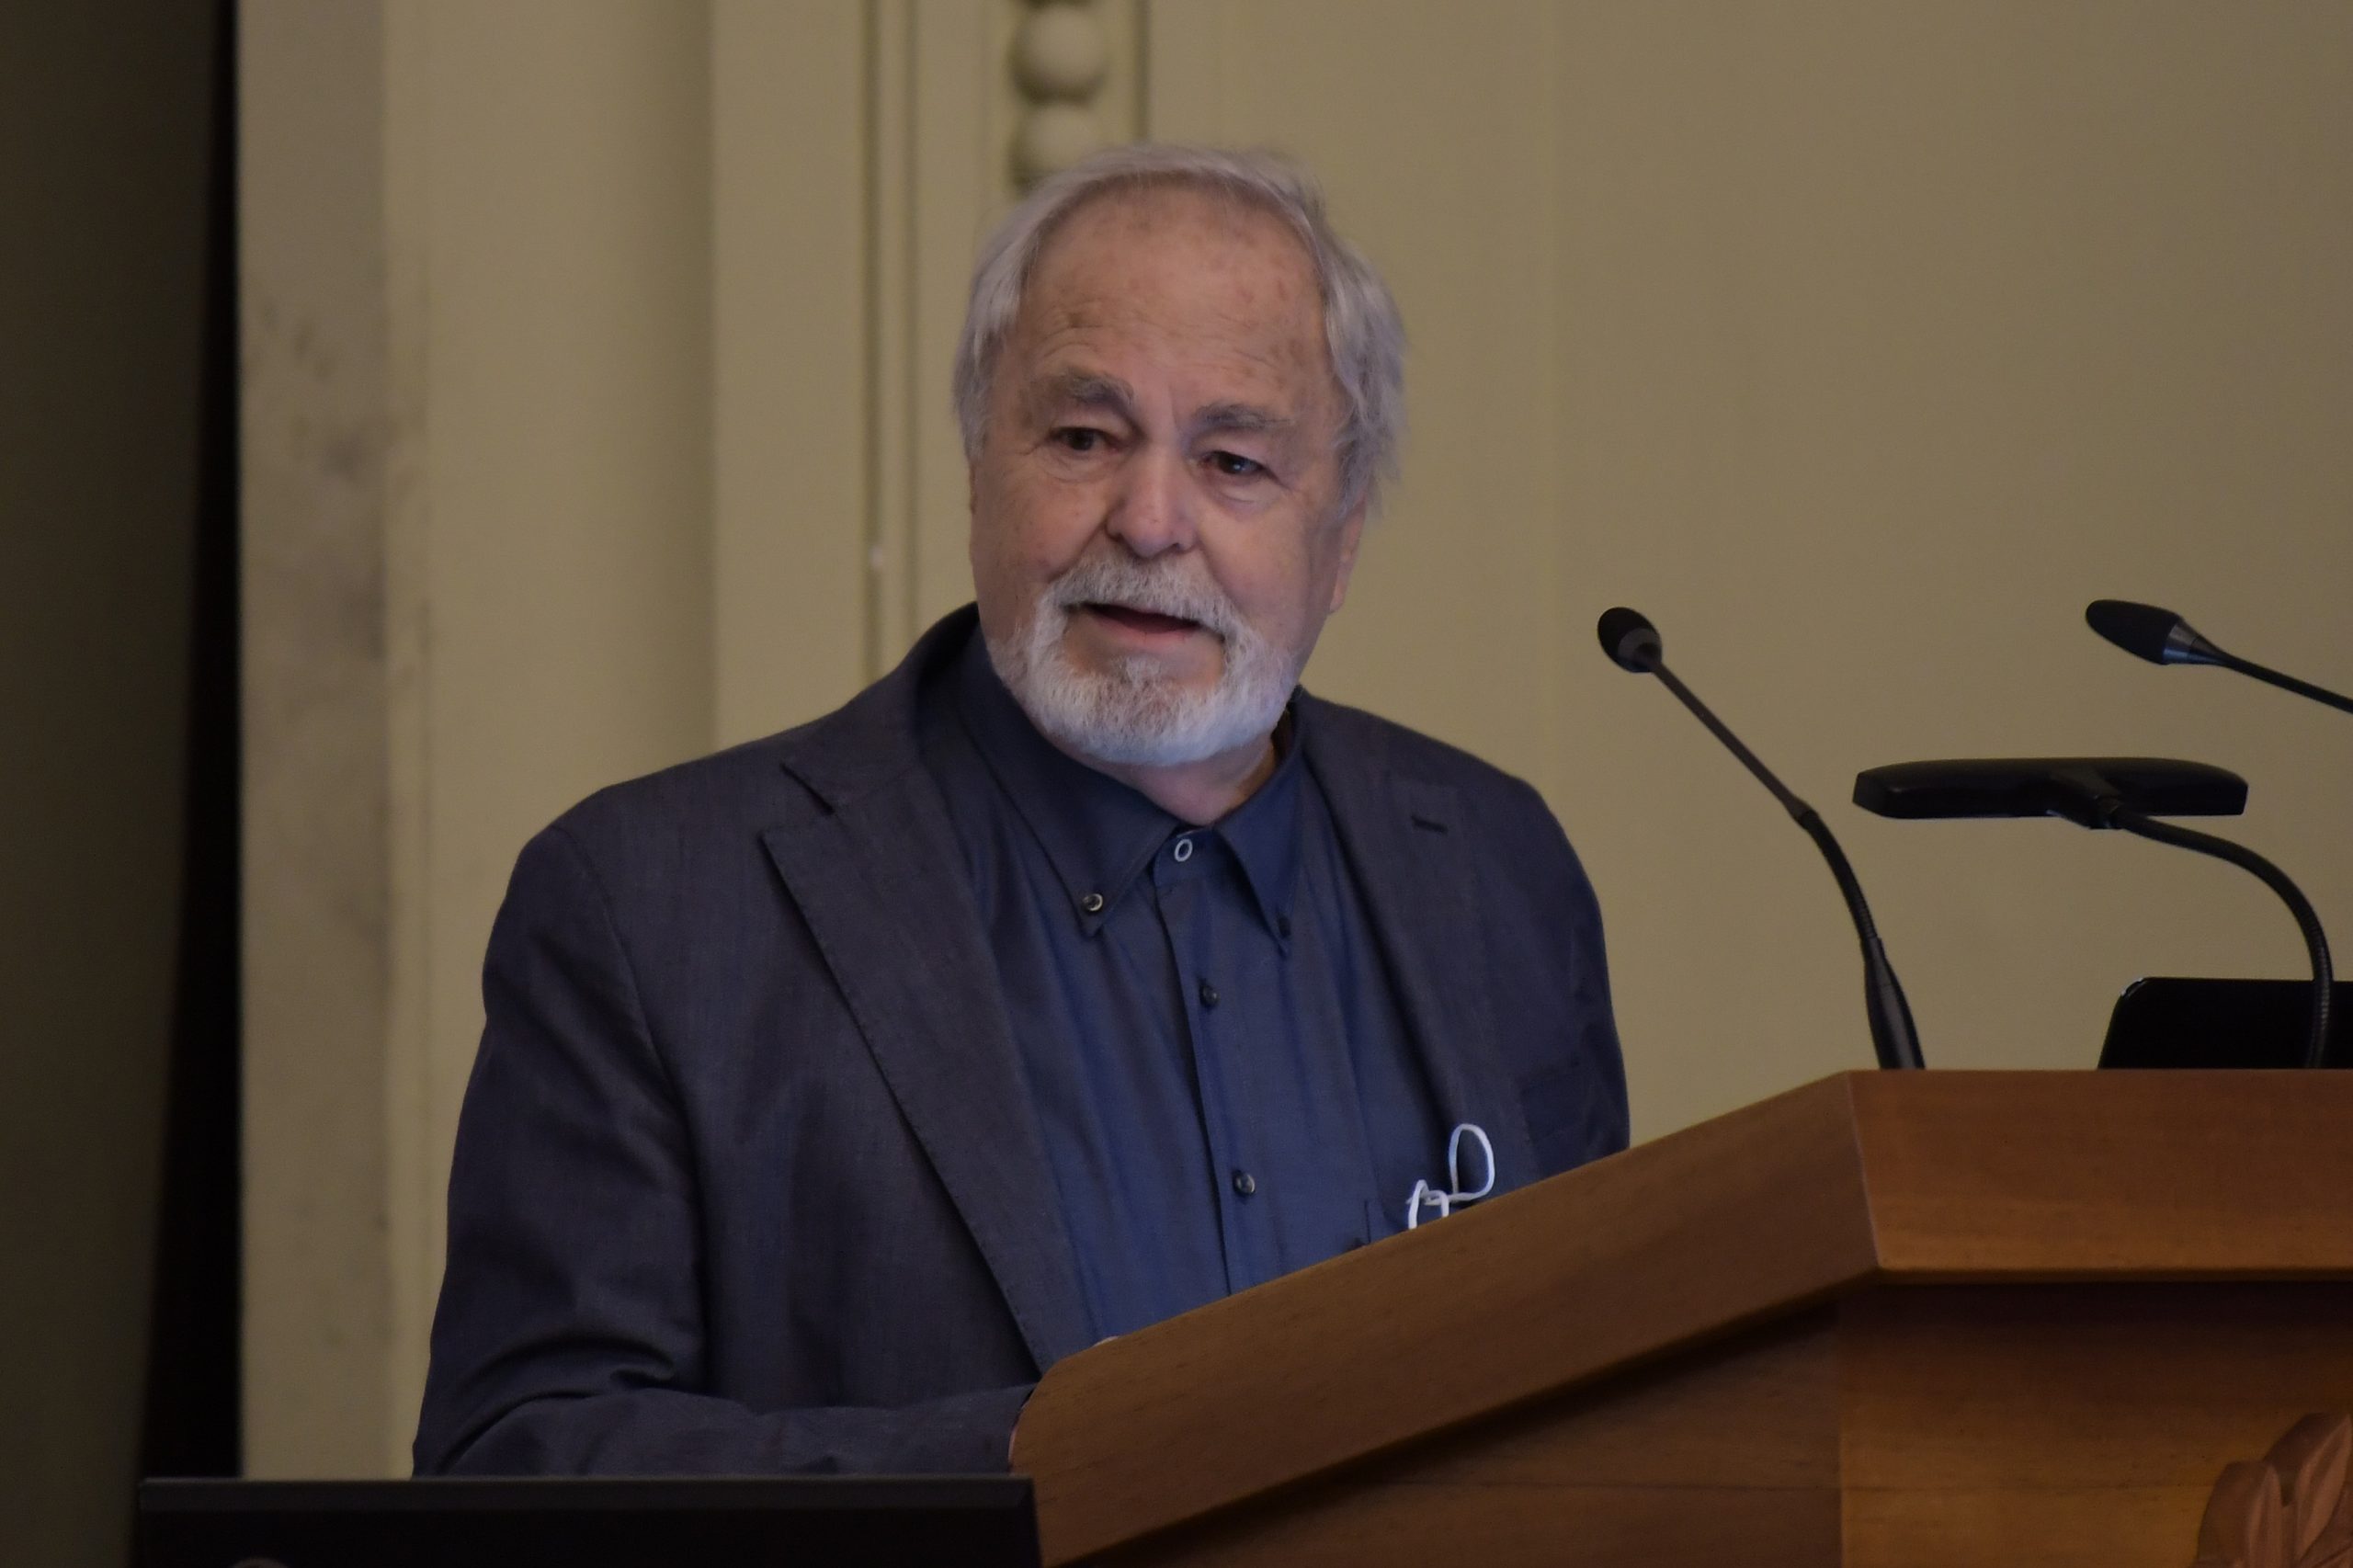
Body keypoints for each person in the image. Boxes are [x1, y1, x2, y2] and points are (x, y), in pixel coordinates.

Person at [414, 143, 1628, 1477]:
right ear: (980, 470)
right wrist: (1067, 1461)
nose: (1150, 518)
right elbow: (521, 1459)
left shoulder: (1497, 871)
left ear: (1337, 546)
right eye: (1083, 437)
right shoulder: (651, 905)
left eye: (1233, 460)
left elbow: (1596, 1418)